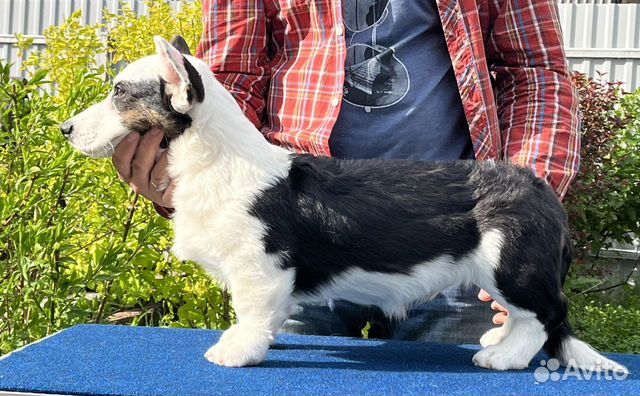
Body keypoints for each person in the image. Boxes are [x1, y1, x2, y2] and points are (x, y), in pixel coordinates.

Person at [112, 0, 580, 343]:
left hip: (451, 234)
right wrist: (190, 186)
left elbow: (536, 73)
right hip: (297, 233)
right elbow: (230, 78)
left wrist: (517, 222)